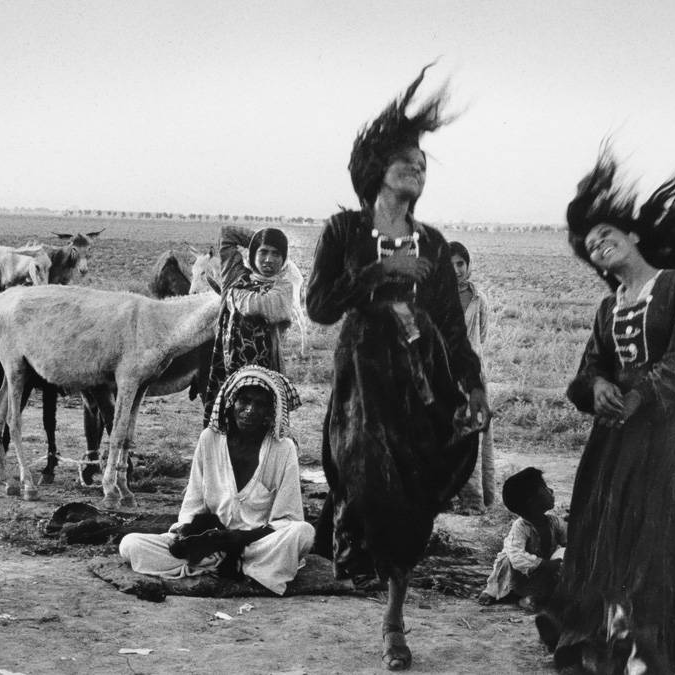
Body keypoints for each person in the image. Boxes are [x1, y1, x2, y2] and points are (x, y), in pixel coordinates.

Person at [306, 65, 490, 671]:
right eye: (406, 159)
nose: (418, 166)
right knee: (364, 476)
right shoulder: (344, 231)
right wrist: (379, 274)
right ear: (375, 170)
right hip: (362, 384)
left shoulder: (434, 243)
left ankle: (394, 618)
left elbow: (455, 332)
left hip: (421, 385)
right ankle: (354, 533)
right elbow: (318, 307)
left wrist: (472, 389)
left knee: (413, 496)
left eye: (422, 161)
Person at [535, 147, 675, 675]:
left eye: (607, 235)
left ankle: (649, 653)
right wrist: (597, 390)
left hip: (661, 438)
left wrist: (638, 393)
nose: (600, 246)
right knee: (602, 535)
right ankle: (608, 641)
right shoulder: (607, 308)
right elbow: (587, 370)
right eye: (591, 247)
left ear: (633, 236)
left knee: (654, 537)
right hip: (611, 444)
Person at [120, 366, 314, 595]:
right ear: (232, 402)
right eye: (244, 400)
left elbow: (289, 517)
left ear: (271, 411)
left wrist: (239, 538)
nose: (250, 410)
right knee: (130, 545)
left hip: (257, 544)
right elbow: (193, 504)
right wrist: (190, 537)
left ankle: (229, 564)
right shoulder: (209, 440)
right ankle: (240, 568)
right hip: (209, 543)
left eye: (260, 404)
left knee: (303, 532)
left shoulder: (283, 448)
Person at [202, 226, 296, 426]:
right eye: (263, 252)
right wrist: (259, 239)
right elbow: (226, 234)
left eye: (276, 253)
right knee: (227, 419)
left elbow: (262, 306)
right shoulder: (235, 275)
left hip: (264, 369)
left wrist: (235, 295)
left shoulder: (283, 287)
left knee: (258, 420)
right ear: (253, 254)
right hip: (226, 366)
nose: (269, 259)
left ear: (284, 257)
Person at [478, 468, 566, 611]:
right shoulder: (521, 527)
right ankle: (492, 591)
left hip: (539, 572)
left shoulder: (554, 521)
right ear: (533, 502)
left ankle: (528, 599)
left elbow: (568, 540)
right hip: (519, 571)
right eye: (544, 488)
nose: (551, 491)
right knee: (506, 561)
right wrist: (546, 565)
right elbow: (517, 557)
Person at [450, 240, 495, 511]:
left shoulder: (480, 300)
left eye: (460, 264)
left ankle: (473, 498)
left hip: (473, 379)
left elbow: (482, 337)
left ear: (468, 266)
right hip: (444, 377)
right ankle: (445, 494)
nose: (455, 270)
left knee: (472, 435)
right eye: (450, 265)